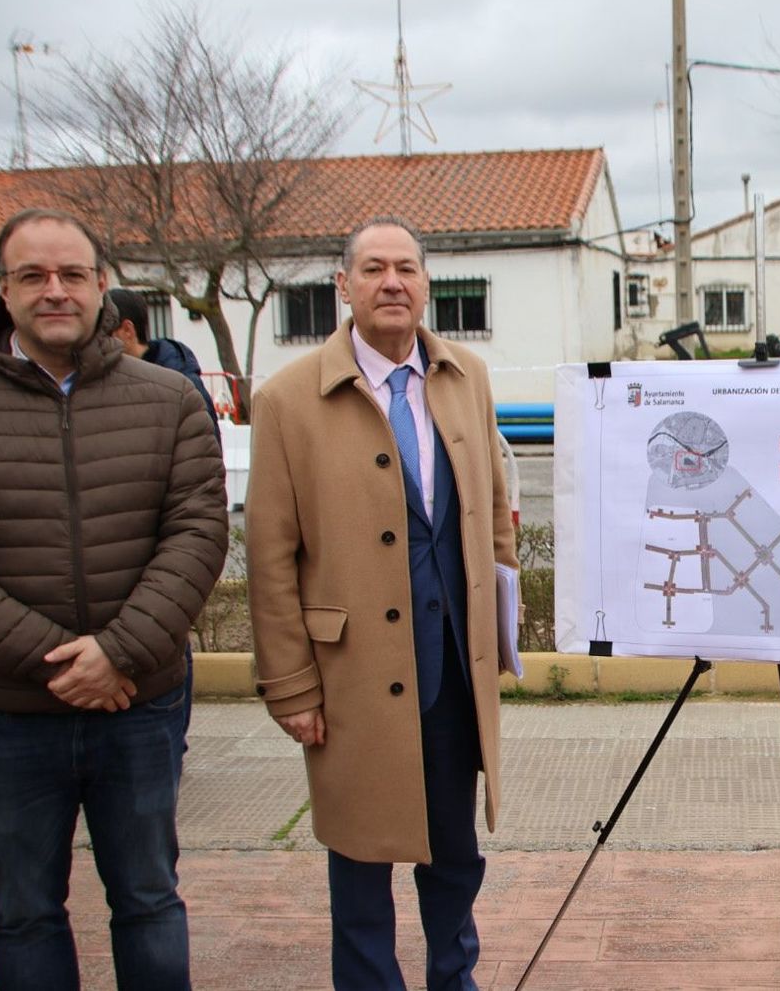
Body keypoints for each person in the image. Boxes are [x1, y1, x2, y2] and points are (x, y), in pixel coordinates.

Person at [0, 207, 228, 990]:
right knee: (24, 911)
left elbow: (197, 535)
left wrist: (116, 652)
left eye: (72, 274)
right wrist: (59, 663)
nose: (55, 291)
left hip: (138, 705)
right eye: (33, 275)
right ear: (3, 290)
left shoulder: (169, 399)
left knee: (148, 900)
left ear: (101, 285)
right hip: (7, 714)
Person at [248, 216, 517, 990]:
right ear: (344, 285)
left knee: (455, 853)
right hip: (352, 678)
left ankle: (452, 976)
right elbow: (270, 555)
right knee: (361, 862)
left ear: (426, 282)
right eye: (372, 268)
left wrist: (497, 639)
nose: (391, 281)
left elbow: (493, 514)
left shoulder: (465, 375)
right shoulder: (287, 400)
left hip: (453, 675)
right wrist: (291, 686)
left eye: (405, 267)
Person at [108, 286, 222, 439]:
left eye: (104, 331)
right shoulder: (111, 380)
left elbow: (206, 448)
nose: (97, 341)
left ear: (128, 330)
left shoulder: (180, 382)